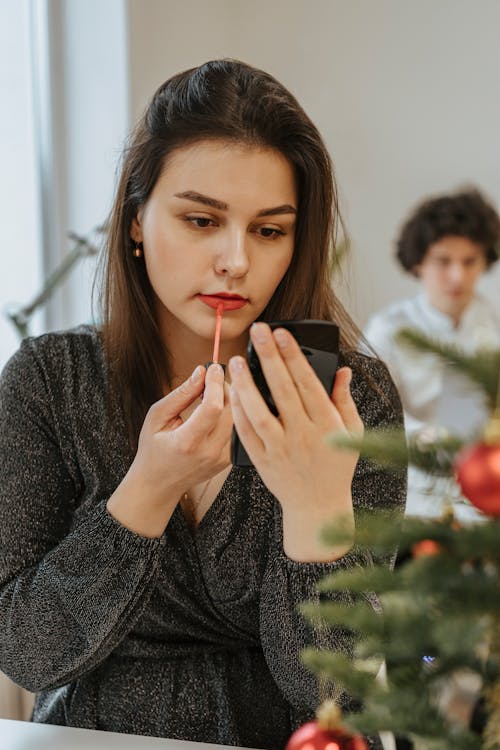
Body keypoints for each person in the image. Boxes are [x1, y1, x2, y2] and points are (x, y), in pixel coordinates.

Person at [0, 59, 405, 750]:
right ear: (135, 221)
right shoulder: (51, 379)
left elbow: (346, 698)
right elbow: (27, 653)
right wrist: (146, 492)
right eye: (199, 220)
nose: (235, 261)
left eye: (269, 230)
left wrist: (315, 511)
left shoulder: (349, 399)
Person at [364, 188, 500, 519]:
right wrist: (434, 439)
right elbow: (375, 418)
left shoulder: (495, 324)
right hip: (412, 501)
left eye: (470, 261)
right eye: (443, 261)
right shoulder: (388, 330)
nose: (458, 276)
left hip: (488, 497)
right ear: (418, 262)